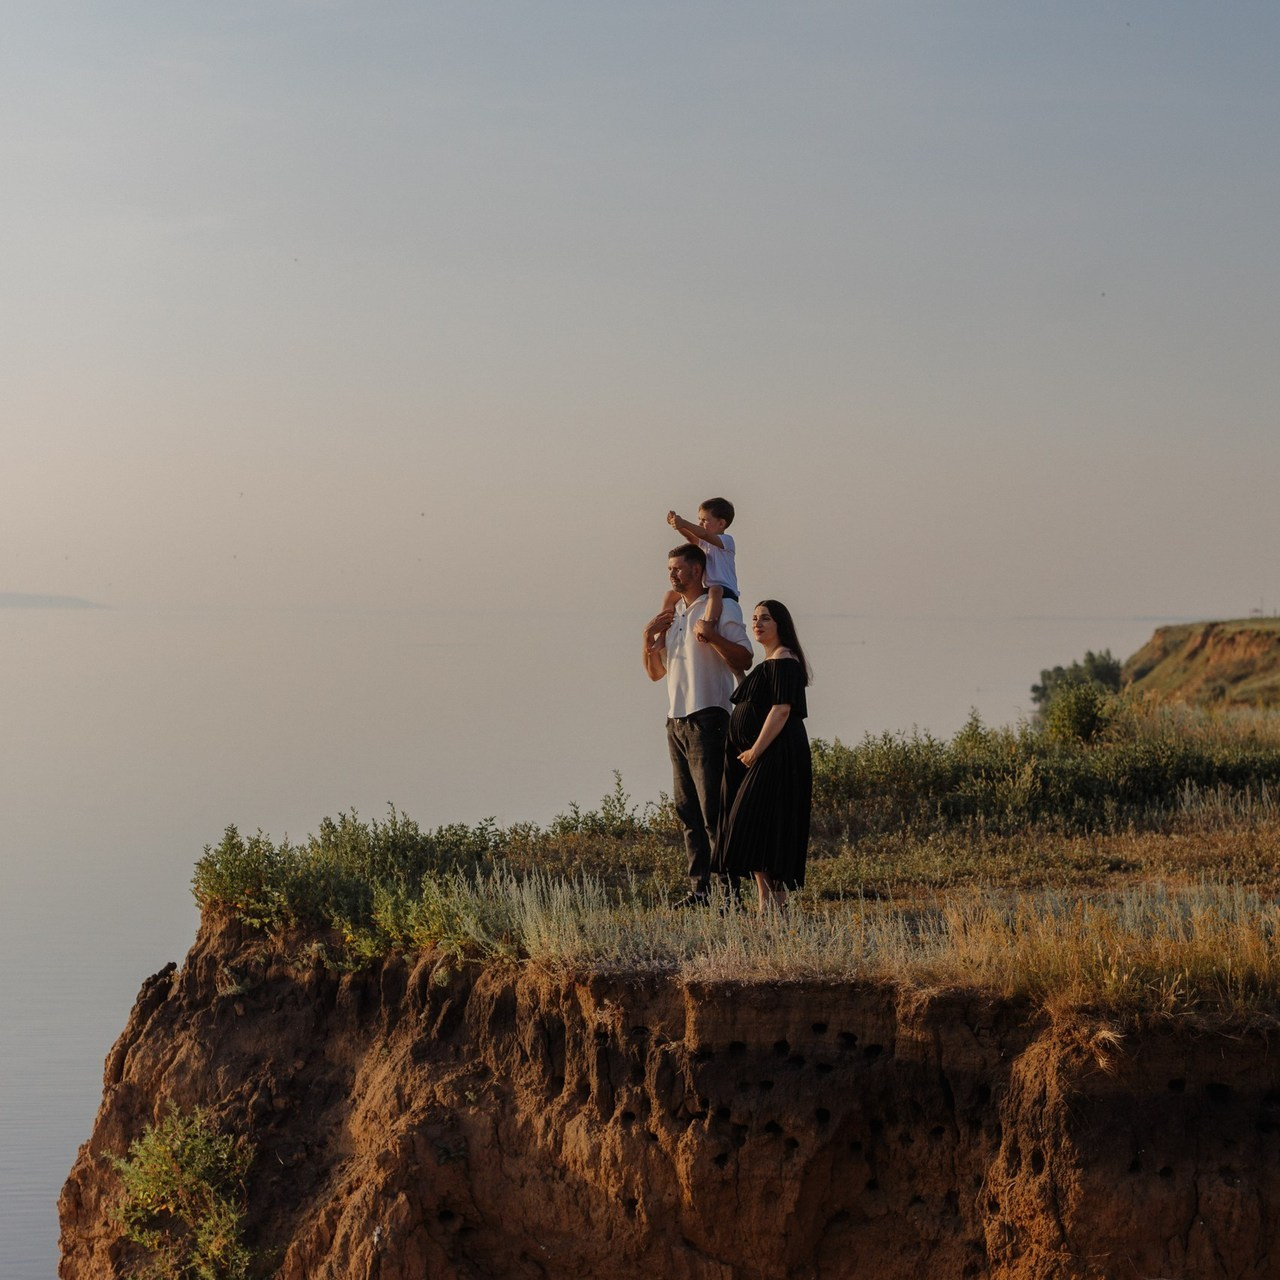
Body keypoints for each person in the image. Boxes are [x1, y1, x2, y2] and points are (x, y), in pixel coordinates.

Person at [643, 543, 753, 907]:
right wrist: (648, 641)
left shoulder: (719, 608)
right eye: (668, 569)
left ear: (695, 570)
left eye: (677, 568)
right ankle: (700, 891)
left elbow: (745, 658)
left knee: (713, 811)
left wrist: (712, 635)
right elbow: (657, 674)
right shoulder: (674, 616)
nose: (671, 574)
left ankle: (731, 895)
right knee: (687, 811)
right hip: (675, 722)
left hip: (709, 716)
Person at [714, 600, 812, 912]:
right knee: (754, 830)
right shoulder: (768, 664)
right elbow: (754, 702)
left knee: (760, 825)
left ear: (780, 624)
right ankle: (765, 906)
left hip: (777, 755)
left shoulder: (785, 659)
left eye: (765, 619)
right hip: (760, 756)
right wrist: (733, 669)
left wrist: (756, 750)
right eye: (755, 619)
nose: (757, 624)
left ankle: (777, 905)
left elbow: (781, 710)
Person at [660, 498, 738, 639]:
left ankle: (708, 625)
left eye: (704, 520)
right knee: (671, 594)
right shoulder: (704, 543)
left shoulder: (726, 541)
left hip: (724, 590)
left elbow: (704, 534)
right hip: (706, 589)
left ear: (721, 523)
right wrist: (678, 526)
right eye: (699, 520)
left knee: (715, 590)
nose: (700, 524)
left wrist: (684, 523)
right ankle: (662, 631)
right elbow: (691, 537)